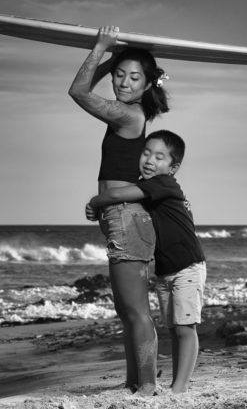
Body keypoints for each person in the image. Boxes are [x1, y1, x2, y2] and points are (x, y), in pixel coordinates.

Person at [69, 26, 169, 396]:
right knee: (127, 311)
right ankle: (135, 382)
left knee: (137, 310)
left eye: (134, 77)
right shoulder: (129, 112)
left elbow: (78, 91)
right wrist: (109, 57)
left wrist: (100, 48)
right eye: (119, 75)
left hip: (128, 219)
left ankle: (147, 387)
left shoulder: (129, 116)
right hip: (122, 219)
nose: (123, 83)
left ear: (147, 84)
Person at [86, 129, 207, 394]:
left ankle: (180, 388)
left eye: (159, 157)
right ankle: (178, 384)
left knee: (186, 328)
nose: (150, 160)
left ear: (172, 167)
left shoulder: (163, 184)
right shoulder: (151, 184)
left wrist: (95, 202)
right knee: (175, 329)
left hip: (187, 266)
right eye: (146, 153)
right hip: (167, 270)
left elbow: (117, 195)